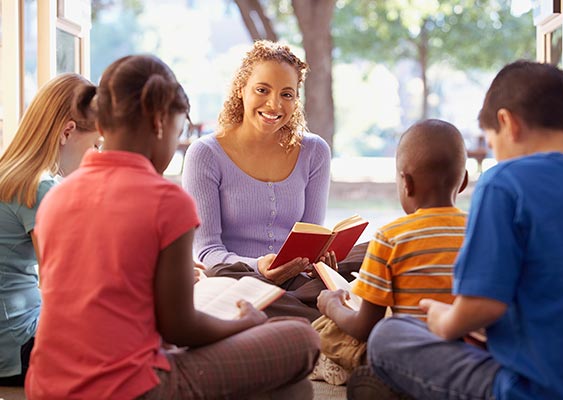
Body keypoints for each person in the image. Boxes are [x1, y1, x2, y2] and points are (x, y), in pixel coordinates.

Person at [25, 55, 319, 399]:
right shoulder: (166, 199)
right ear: (161, 124)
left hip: (46, 386)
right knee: (301, 338)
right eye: (179, 131)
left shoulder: (56, 198)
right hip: (131, 387)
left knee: (290, 388)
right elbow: (181, 327)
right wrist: (244, 324)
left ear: (101, 125)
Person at [367, 60, 563, 400]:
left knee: (389, 334)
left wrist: (445, 320)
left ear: (507, 123)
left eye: (493, 143)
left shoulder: (504, 183)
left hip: (531, 389)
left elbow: (483, 306)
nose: (496, 155)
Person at [182, 40, 332, 321]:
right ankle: (318, 315)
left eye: (287, 94)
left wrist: (320, 260)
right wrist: (259, 266)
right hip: (237, 279)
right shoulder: (205, 154)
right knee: (226, 284)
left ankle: (304, 312)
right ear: (241, 90)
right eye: (262, 90)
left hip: (296, 281)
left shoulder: (315, 152)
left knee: (369, 255)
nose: (275, 104)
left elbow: (312, 237)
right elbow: (207, 251)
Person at [311, 119, 469, 387]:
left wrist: (332, 306)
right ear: (463, 181)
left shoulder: (391, 236)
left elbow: (365, 327)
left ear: (406, 183)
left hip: (409, 355)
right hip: (467, 354)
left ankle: (343, 367)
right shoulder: (481, 231)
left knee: (324, 329)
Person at [0, 73, 100, 386]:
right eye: (95, 144)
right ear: (67, 132)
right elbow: (70, 284)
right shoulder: (39, 186)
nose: (96, 155)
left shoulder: (12, 173)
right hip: (19, 345)